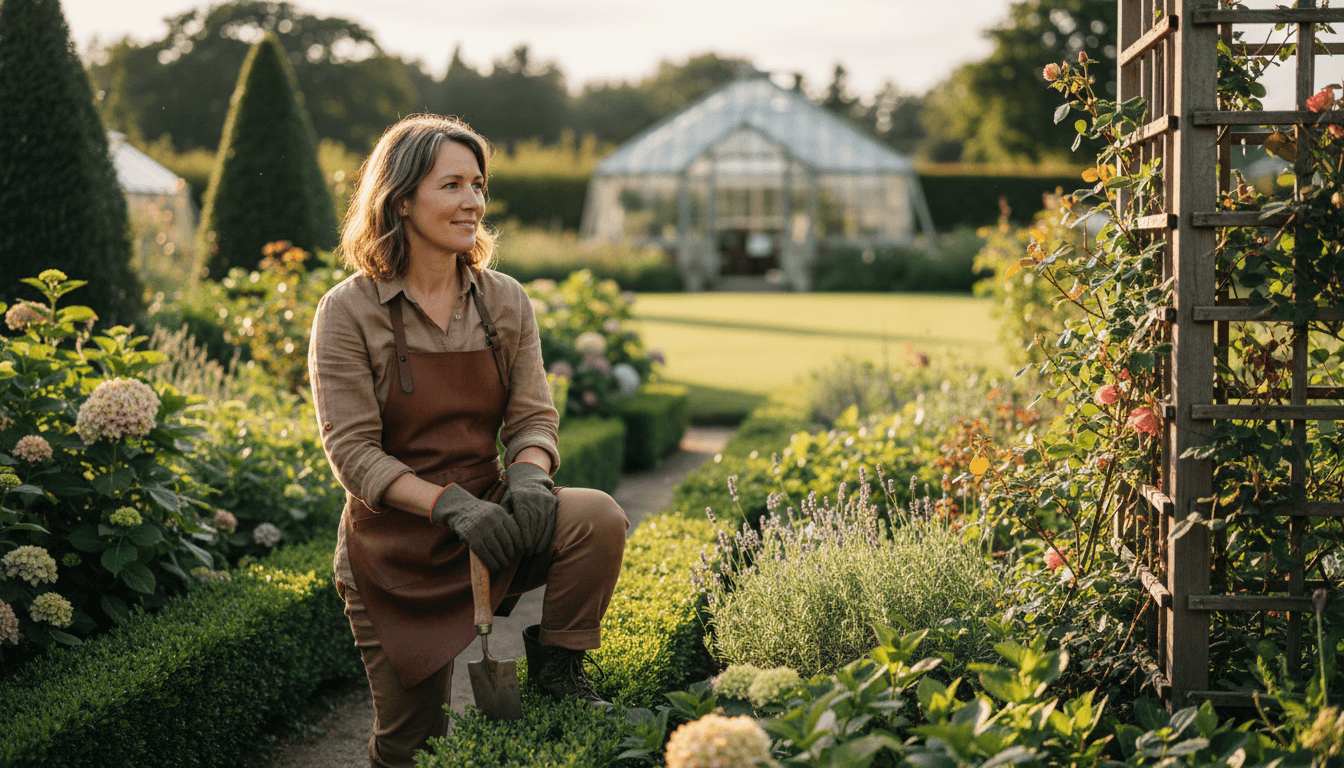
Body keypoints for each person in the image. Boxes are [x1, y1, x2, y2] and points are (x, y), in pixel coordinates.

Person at [308, 113, 628, 768]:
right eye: (451, 185)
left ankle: (560, 667)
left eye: (478, 185)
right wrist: (451, 506)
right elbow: (354, 453)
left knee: (594, 516)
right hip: (394, 553)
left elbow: (533, 415)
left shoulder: (504, 301)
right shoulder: (348, 310)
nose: (473, 203)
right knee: (410, 745)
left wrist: (533, 475)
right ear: (400, 199)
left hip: (494, 527)